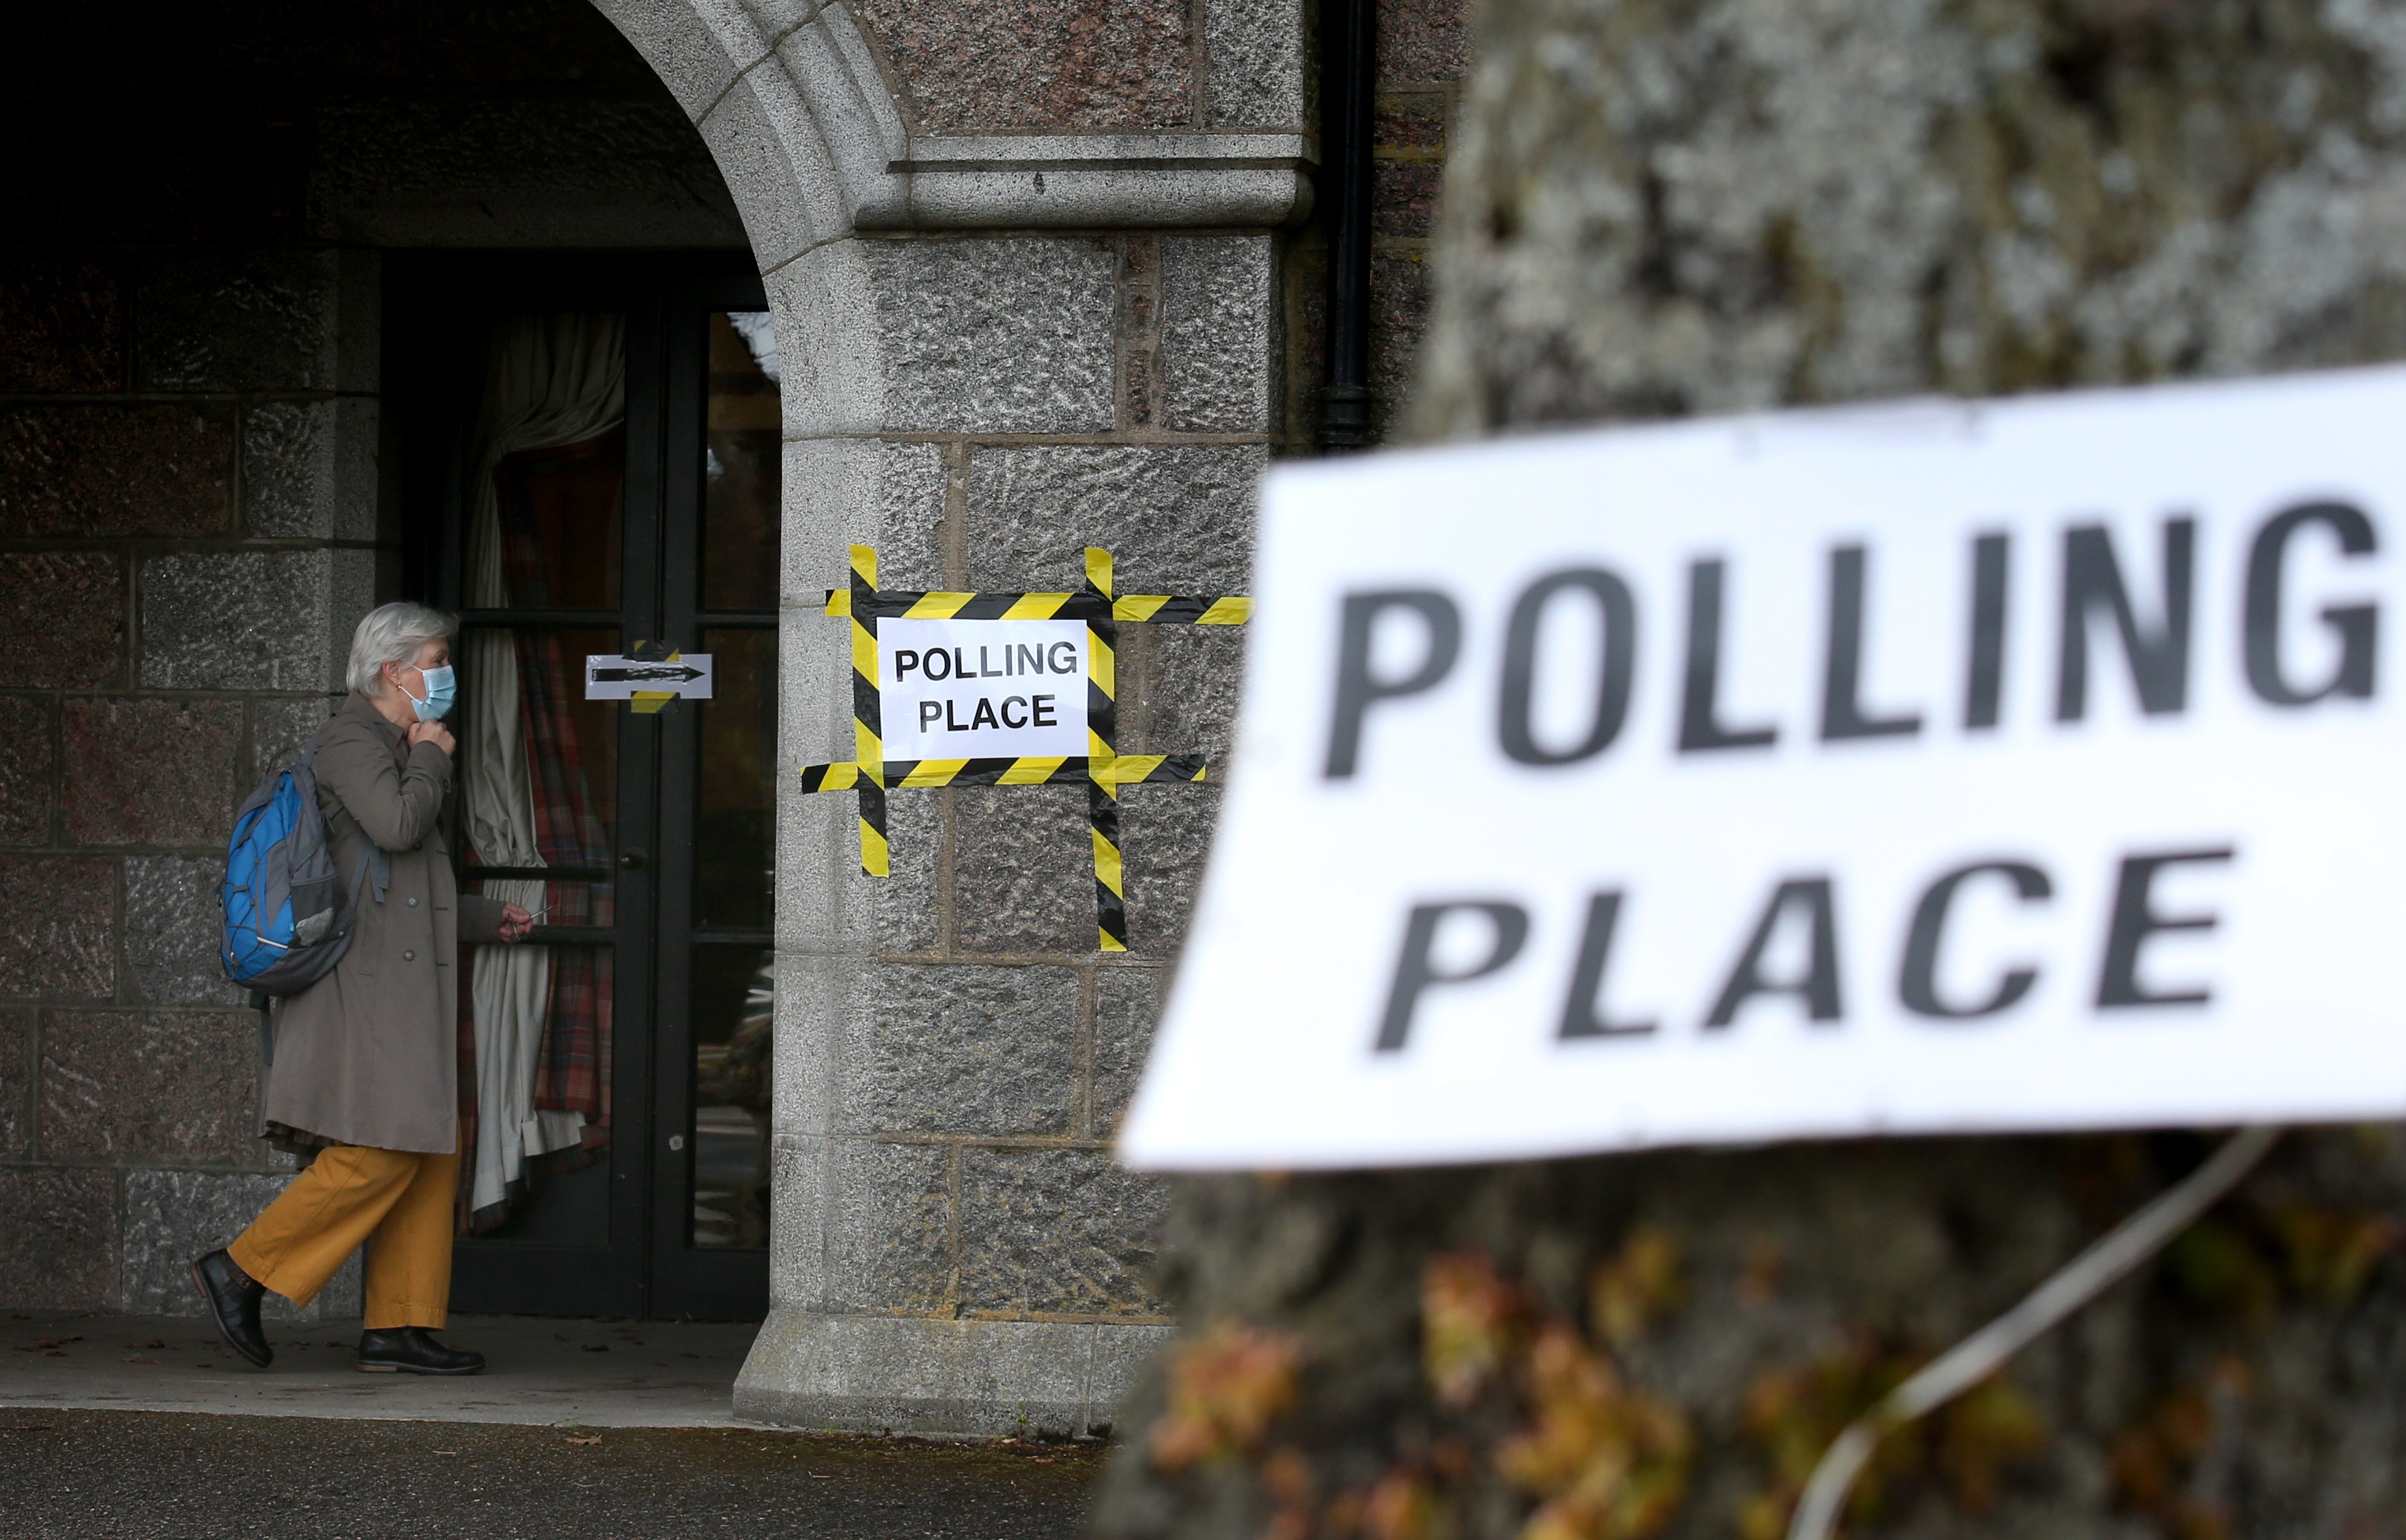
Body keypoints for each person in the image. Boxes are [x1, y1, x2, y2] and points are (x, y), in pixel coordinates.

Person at [191, 602, 535, 1375]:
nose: (445, 676)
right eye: (436, 661)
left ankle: (401, 1325)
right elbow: (398, 827)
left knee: (427, 1146)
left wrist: (484, 916)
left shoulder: (391, 741)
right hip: (364, 989)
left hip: (398, 982)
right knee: (380, 1149)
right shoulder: (353, 737)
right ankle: (241, 1268)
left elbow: (399, 886)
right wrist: (434, 755)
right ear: (394, 669)